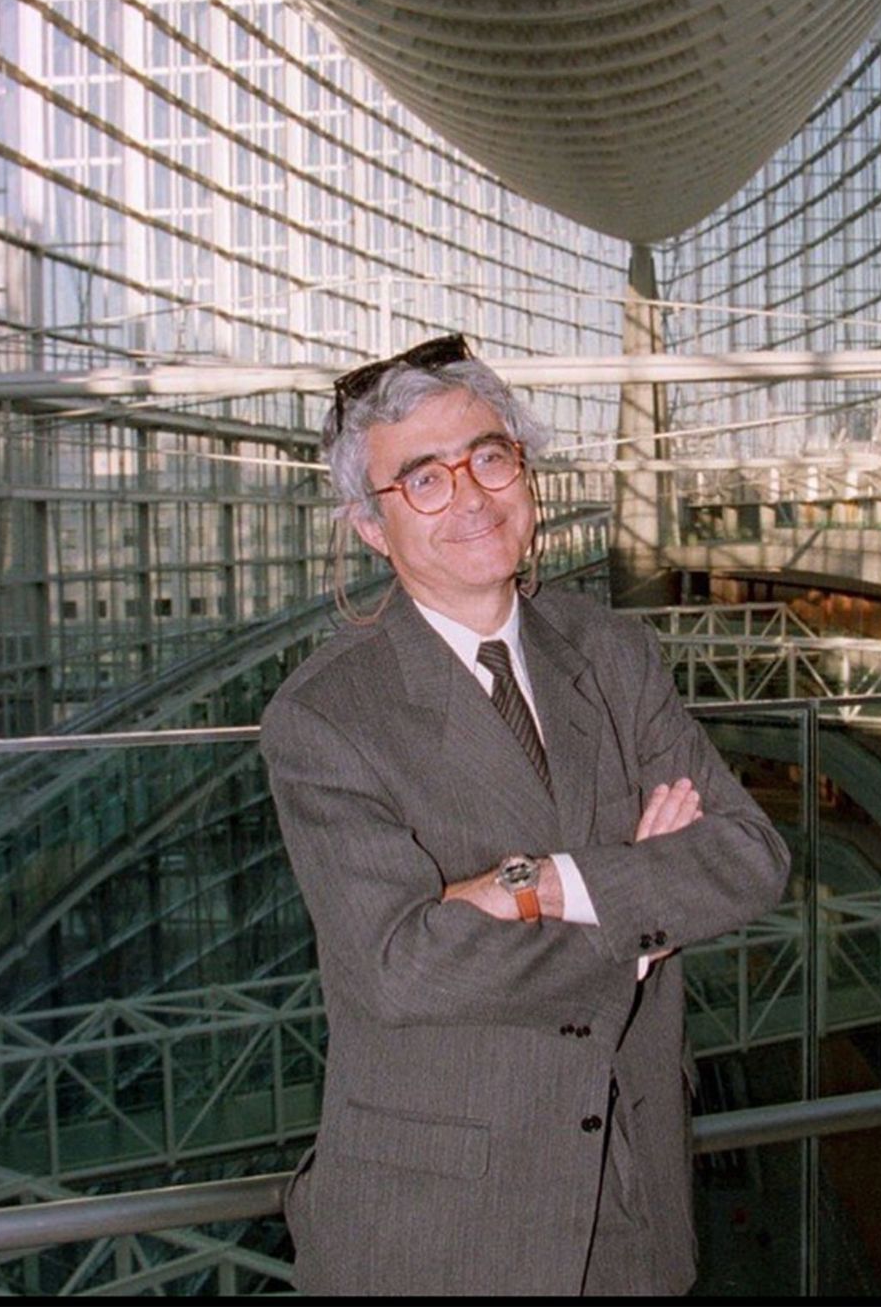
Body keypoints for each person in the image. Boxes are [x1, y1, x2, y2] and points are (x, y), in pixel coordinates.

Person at [261, 334, 790, 1296]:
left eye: (489, 456)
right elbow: (405, 966)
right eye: (421, 479)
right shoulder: (326, 714)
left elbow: (749, 854)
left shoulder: (609, 648)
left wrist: (540, 885)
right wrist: (638, 907)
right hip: (436, 1232)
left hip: (631, 1203)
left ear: (526, 474)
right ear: (371, 528)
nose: (468, 496)